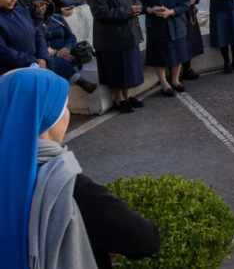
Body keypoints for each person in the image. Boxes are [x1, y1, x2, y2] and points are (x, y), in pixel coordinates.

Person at [0, 69, 161, 269]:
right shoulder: (67, 184)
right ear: (48, 118)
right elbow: (145, 239)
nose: (67, 114)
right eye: (65, 107)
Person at [87, 0, 145, 112]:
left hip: (129, 34)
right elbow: (101, 13)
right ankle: (118, 99)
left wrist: (138, 6)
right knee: (116, 69)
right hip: (111, 39)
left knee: (128, 68)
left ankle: (127, 96)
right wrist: (128, 11)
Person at [23, 0, 96, 94]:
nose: (41, 7)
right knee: (51, 62)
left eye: (43, 4)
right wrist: (57, 52)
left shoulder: (57, 18)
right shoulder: (29, 23)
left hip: (67, 53)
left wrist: (67, 48)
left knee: (62, 61)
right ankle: (79, 81)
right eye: (36, 5)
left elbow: (71, 36)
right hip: (49, 55)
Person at [137, 0, 190, 97]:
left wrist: (172, 11)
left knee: (178, 54)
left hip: (176, 23)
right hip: (156, 25)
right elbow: (138, 1)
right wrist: (148, 9)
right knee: (159, 56)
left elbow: (185, 3)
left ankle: (175, 80)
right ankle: (164, 84)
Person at [161, 0, 204, 82]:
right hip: (173, 15)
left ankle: (187, 68)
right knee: (175, 45)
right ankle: (173, 74)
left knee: (189, 42)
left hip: (188, 14)